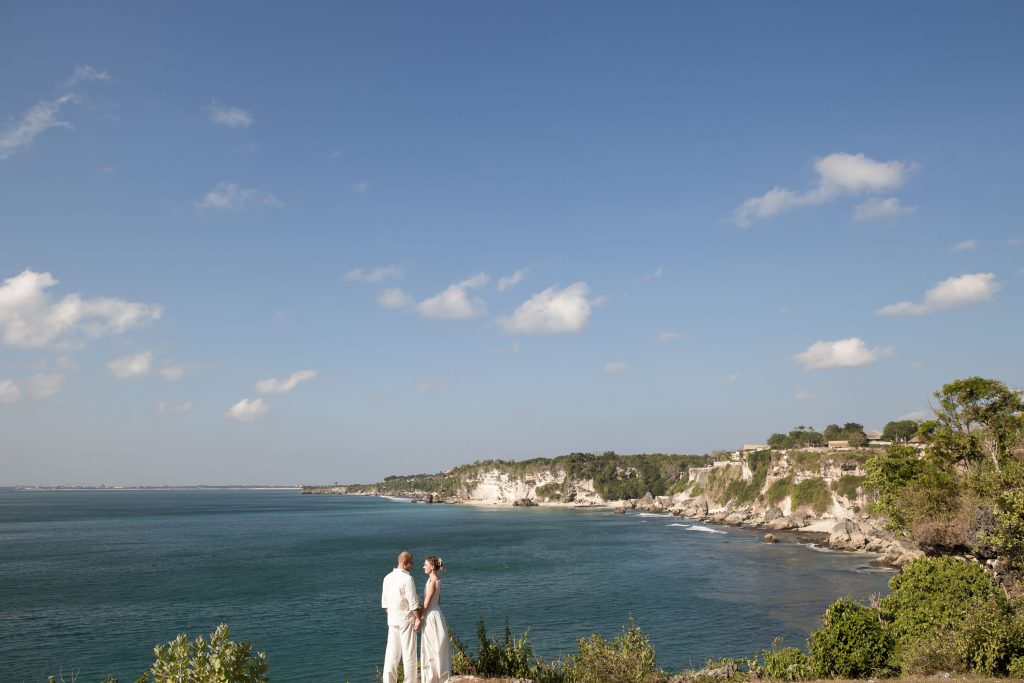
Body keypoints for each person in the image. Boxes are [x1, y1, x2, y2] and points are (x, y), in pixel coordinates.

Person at [382, 550, 421, 683]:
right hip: (406, 621)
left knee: (391, 655)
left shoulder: (387, 578)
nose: (413, 565)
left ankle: (388, 681)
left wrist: (394, 614)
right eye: (411, 563)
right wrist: (418, 618)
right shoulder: (407, 579)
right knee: (409, 654)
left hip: (392, 620)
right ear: (405, 563)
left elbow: (385, 605)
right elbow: (413, 604)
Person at [419, 555, 450, 683]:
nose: (423, 567)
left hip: (430, 616)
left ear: (432, 567)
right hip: (437, 613)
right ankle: (439, 676)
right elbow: (438, 600)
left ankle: (431, 678)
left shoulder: (432, 582)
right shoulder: (437, 579)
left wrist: (418, 617)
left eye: (425, 565)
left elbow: (426, 604)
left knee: (430, 647)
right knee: (438, 645)